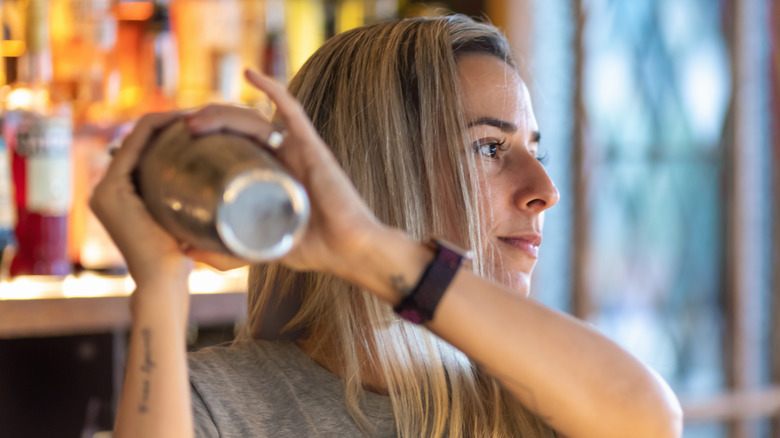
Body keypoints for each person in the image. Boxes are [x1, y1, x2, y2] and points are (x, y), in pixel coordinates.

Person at [91, 15, 683, 438]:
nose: (544, 192)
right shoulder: (216, 405)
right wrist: (161, 281)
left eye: (535, 150)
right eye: (488, 147)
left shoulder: (537, 392)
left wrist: (367, 246)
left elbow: (652, 420)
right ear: (371, 170)